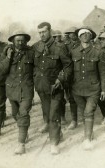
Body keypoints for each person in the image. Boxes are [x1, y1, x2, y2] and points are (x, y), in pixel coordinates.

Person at [32, 22, 73, 154]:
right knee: (47, 112)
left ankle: (54, 143)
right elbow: (32, 65)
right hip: (41, 87)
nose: (41, 34)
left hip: (56, 87)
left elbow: (68, 66)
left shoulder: (59, 47)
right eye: (39, 32)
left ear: (49, 31)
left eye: (44, 31)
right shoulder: (36, 47)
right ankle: (58, 133)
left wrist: (60, 79)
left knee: (54, 114)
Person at [71, 26, 105, 150]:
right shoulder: (74, 52)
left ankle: (87, 139)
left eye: (88, 34)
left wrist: (104, 89)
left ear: (91, 36)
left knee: (88, 112)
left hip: (93, 89)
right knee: (83, 113)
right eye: (82, 34)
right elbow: (69, 71)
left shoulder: (98, 52)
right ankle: (89, 132)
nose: (85, 35)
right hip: (77, 89)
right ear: (79, 37)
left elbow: (104, 73)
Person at [0, 30, 34, 154]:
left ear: (26, 41)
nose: (20, 42)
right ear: (13, 41)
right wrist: (8, 58)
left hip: (26, 89)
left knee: (23, 113)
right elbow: (1, 71)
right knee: (15, 114)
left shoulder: (31, 53)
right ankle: (24, 130)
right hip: (12, 90)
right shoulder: (7, 53)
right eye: (17, 40)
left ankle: (21, 143)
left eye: (22, 40)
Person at [63, 26, 80, 130]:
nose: (72, 35)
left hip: (80, 72)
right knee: (71, 97)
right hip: (70, 73)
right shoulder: (65, 45)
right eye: (70, 33)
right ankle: (74, 120)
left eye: (73, 33)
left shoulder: (81, 43)